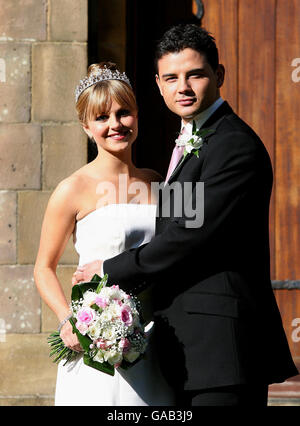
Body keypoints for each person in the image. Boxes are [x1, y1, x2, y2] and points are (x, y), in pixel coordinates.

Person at [72, 25, 299, 406]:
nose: (184, 87)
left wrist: (109, 270)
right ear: (158, 84)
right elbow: (171, 233)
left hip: (223, 352)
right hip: (184, 353)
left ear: (219, 75)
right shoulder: (192, 141)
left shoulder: (234, 146)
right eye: (172, 78)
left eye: (195, 74)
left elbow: (188, 237)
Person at [34, 62, 176, 406]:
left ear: (137, 116)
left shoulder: (158, 182)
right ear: (86, 126)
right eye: (102, 117)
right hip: (99, 345)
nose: (115, 124)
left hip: (158, 340)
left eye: (123, 112)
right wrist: (68, 319)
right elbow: (43, 267)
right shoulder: (72, 189)